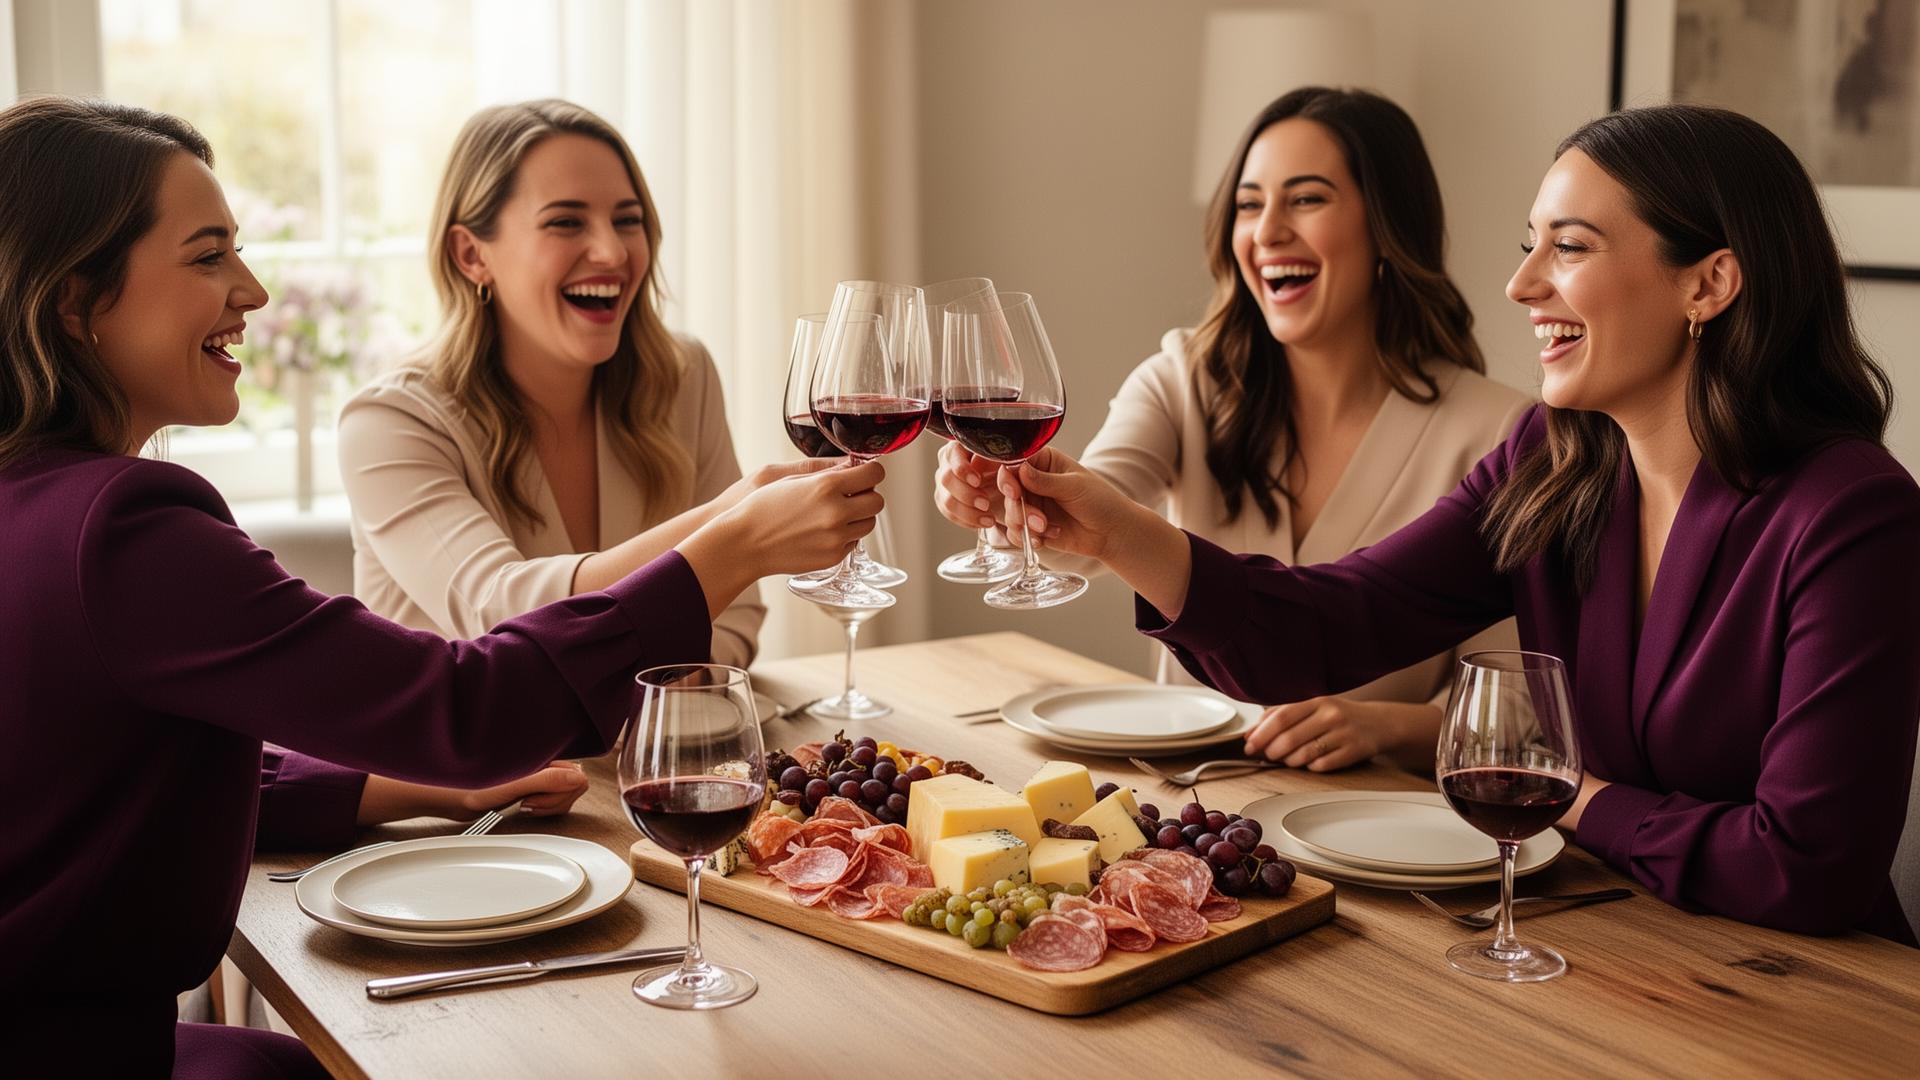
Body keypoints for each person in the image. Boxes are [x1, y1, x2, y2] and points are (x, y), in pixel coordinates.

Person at [0, 96, 884, 1073]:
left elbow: (124, 764)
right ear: (77, 302)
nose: (251, 290)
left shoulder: (39, 505)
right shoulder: (128, 532)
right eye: (208, 256)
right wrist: (726, 549)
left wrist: (393, 787)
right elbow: (469, 703)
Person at [995, 104, 1920, 943]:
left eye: (1570, 247)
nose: (1521, 285)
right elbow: (1329, 624)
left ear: (1709, 283)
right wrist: (1117, 532)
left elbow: (1808, 871)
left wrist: (1581, 799)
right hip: (1613, 943)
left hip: (1813, 992)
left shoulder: (1852, 517)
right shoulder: (1552, 459)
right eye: (1531, 245)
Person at [932, 87, 1530, 771]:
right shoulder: (1183, 377)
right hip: (1181, 802)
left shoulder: (1498, 433)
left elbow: (1514, 711)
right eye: (1249, 204)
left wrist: (1383, 726)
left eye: (1306, 199)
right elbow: (1089, 532)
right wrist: (1014, 505)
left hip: (1377, 823)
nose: (1268, 230)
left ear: (1387, 226)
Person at [338, 99, 784, 666]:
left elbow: (738, 616)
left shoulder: (682, 375)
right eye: (566, 222)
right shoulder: (389, 421)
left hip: (660, 750)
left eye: (628, 220)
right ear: (471, 254)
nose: (613, 251)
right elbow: (500, 610)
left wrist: (660, 710)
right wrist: (737, 523)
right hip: (484, 756)